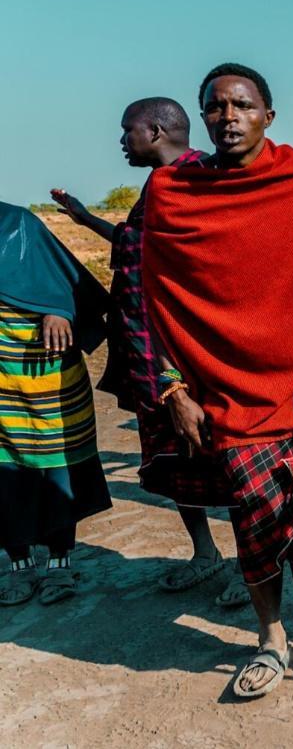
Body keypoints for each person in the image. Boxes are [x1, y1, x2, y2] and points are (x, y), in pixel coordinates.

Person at [143, 62, 293, 698]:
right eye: (215, 107)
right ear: (203, 119)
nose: (228, 116)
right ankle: (271, 639)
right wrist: (173, 388)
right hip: (224, 389)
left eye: (242, 105)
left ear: (270, 114)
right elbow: (155, 301)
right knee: (256, 516)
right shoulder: (172, 194)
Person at [49, 98, 248, 608]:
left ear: (155, 130)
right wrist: (85, 219)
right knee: (175, 456)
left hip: (191, 352)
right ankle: (205, 553)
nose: (121, 141)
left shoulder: (203, 179)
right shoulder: (156, 186)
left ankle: (253, 565)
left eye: (127, 131)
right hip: (146, 351)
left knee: (227, 455)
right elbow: (136, 244)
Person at [0, 202, 111, 607]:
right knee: (3, 471)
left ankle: (60, 559)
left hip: (47, 374)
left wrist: (57, 309)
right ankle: (19, 561)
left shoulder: (18, 223)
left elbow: (60, 279)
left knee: (57, 465)